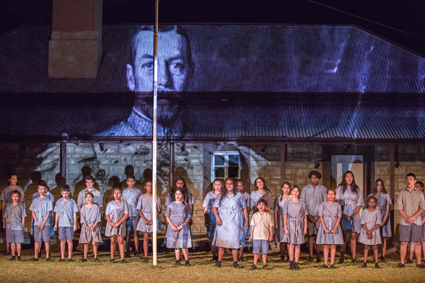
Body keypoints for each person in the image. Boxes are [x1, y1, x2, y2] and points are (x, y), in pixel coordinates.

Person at [97, 25, 194, 137]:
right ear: (131, 77)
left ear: (190, 75)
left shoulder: (208, 146)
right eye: (149, 65)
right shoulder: (98, 144)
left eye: (177, 65)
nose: (164, 80)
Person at [213, 178, 248, 268]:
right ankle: (219, 261)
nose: (229, 185)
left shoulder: (239, 195)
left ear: (234, 185)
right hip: (223, 220)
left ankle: (235, 262)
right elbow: (214, 207)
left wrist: (246, 220)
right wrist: (217, 217)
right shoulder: (221, 195)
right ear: (225, 185)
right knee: (222, 242)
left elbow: (244, 208)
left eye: (231, 183)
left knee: (234, 240)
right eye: (227, 184)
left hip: (235, 220)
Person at [396, 173, 425, 268]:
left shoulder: (419, 194)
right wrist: (407, 217)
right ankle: (402, 263)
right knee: (404, 242)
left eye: (411, 179)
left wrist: (413, 217)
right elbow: (399, 207)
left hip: (416, 222)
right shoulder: (402, 193)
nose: (409, 181)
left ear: (414, 181)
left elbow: (423, 207)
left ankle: (419, 263)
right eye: (407, 179)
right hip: (404, 222)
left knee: (417, 242)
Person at [335, 170, 364, 263]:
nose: (349, 178)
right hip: (343, 213)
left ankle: (353, 257)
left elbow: (359, 203)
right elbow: (337, 201)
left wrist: (354, 214)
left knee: (352, 235)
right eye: (347, 176)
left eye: (351, 176)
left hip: (353, 214)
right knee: (343, 235)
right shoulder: (340, 188)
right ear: (344, 178)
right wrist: (342, 214)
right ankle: (342, 257)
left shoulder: (357, 189)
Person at [301, 170, 327, 262]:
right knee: (311, 235)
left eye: (316, 177)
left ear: (318, 178)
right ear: (310, 178)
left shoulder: (323, 189)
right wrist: (308, 215)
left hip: (319, 216)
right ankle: (311, 256)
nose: (314, 179)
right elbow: (303, 203)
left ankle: (318, 255)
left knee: (319, 236)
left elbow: (324, 203)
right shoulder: (305, 189)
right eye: (313, 178)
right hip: (309, 215)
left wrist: (319, 215)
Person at [165, 187, 192, 266]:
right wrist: (172, 225)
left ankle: (186, 260)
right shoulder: (171, 205)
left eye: (179, 194)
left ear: (182, 195)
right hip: (173, 225)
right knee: (176, 243)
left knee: (183, 243)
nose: (178, 195)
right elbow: (167, 215)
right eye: (176, 194)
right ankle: (177, 260)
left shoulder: (185, 204)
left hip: (183, 226)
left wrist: (182, 225)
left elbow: (188, 216)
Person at [317, 189, 343, 269]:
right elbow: (320, 216)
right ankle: (325, 263)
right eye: (329, 194)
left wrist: (335, 227)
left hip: (334, 224)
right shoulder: (322, 205)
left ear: (334, 195)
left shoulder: (338, 205)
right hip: (326, 224)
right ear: (327, 195)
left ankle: (332, 263)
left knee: (333, 244)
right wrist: (325, 228)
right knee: (326, 244)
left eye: (332, 194)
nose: (331, 196)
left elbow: (339, 216)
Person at [136, 180, 162, 263]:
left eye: (151, 185)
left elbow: (158, 210)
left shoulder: (156, 197)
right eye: (148, 185)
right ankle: (146, 256)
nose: (150, 187)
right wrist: (144, 219)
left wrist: (153, 220)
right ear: (145, 187)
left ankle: (154, 255)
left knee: (153, 237)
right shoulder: (142, 197)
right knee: (145, 237)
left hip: (153, 217)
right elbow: (139, 209)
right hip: (145, 217)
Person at [283, 186, 308, 270]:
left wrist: (305, 228)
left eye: (297, 191)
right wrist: (285, 228)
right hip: (290, 223)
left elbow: (305, 216)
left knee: (298, 245)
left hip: (299, 224)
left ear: (299, 193)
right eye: (294, 191)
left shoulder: (302, 203)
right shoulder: (288, 203)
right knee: (291, 244)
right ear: (291, 192)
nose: (295, 193)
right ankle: (291, 262)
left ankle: (296, 263)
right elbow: (285, 216)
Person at [1, 174, 26, 256]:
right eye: (13, 179)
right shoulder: (6, 190)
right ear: (9, 180)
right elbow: (3, 203)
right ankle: (8, 250)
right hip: (9, 211)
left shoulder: (20, 190)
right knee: (8, 232)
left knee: (17, 234)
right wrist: (3, 217)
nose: (15, 180)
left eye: (16, 179)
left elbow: (21, 202)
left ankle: (17, 252)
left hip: (17, 213)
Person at [368, 179, 392, 262]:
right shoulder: (372, 195)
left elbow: (388, 208)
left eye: (381, 185)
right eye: (378, 185)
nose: (379, 187)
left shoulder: (386, 195)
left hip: (384, 216)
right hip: (375, 217)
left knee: (383, 237)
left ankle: (383, 256)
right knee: (376, 237)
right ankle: (375, 256)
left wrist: (384, 220)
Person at [53, 185, 78, 262]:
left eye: (66, 193)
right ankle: (62, 256)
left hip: (69, 223)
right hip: (61, 224)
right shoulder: (58, 202)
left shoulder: (72, 202)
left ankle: (70, 257)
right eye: (63, 193)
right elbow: (57, 213)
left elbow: (74, 213)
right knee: (62, 240)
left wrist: (75, 224)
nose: (65, 195)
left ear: (69, 193)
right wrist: (55, 224)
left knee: (69, 240)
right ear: (61, 193)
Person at [29, 182, 53, 261]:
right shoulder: (35, 200)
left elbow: (48, 212)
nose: (41, 190)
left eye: (42, 189)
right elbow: (33, 212)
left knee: (46, 240)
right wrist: (37, 222)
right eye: (39, 189)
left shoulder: (48, 200)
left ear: (45, 190)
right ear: (37, 190)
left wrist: (43, 223)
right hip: (37, 223)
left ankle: (47, 256)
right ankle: (36, 256)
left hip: (45, 223)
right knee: (37, 240)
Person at [105, 188, 129, 263]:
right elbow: (107, 214)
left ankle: (122, 258)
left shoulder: (124, 203)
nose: (116, 195)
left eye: (118, 193)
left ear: (121, 194)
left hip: (120, 223)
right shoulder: (110, 203)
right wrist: (111, 223)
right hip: (112, 223)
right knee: (113, 240)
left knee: (120, 240)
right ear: (113, 194)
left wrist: (119, 223)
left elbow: (126, 214)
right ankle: (112, 257)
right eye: (115, 193)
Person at [249, 199, 274, 270]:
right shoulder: (255, 215)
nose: (261, 206)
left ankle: (264, 264)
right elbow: (252, 225)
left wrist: (271, 235)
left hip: (265, 235)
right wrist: (251, 235)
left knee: (264, 251)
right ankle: (255, 264)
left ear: (265, 206)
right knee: (256, 251)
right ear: (257, 206)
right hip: (256, 235)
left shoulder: (268, 215)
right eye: (260, 205)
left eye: (263, 205)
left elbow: (270, 226)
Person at [121, 175, 142, 258]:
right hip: (127, 214)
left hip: (135, 214)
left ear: (134, 182)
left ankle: (136, 251)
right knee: (127, 233)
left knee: (136, 233)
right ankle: (127, 251)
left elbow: (139, 203)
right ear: (126, 182)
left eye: (132, 181)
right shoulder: (124, 192)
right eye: (129, 181)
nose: (130, 183)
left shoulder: (138, 191)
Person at [359, 196, 382, 269]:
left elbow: (378, 222)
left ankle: (376, 262)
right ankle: (365, 262)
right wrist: (367, 231)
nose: (371, 204)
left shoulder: (377, 211)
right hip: (366, 229)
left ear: (375, 203)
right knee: (367, 246)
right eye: (370, 202)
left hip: (374, 229)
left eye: (373, 202)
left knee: (375, 246)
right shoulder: (365, 211)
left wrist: (371, 231)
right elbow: (363, 221)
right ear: (368, 203)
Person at [202, 179, 223, 262]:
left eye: (219, 184)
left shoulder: (223, 195)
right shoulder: (209, 195)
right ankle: (214, 254)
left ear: (222, 185)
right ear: (213, 185)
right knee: (212, 237)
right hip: (211, 219)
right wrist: (206, 219)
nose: (217, 186)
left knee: (220, 237)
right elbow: (205, 209)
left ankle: (219, 255)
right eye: (216, 184)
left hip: (221, 218)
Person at [79, 192, 102, 262]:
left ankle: (95, 257)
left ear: (92, 198)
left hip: (94, 226)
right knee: (86, 242)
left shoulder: (96, 207)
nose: (88, 198)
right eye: (87, 197)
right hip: (86, 226)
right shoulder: (83, 208)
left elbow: (98, 218)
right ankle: (85, 257)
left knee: (94, 242)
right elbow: (82, 218)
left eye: (90, 197)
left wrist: (93, 226)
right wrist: (86, 226)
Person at [4, 190, 26, 261]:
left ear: (19, 197)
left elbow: (23, 216)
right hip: (10, 226)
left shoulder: (21, 206)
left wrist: (22, 225)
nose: (15, 198)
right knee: (12, 242)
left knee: (18, 242)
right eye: (14, 196)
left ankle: (18, 255)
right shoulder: (8, 207)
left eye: (16, 196)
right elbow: (6, 217)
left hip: (18, 226)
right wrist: (7, 226)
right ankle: (13, 255)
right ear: (11, 197)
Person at [274, 181, 292, 262]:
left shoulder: (292, 198)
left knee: (289, 239)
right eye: (285, 188)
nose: (286, 189)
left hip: (290, 220)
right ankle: (282, 256)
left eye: (288, 188)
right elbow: (275, 211)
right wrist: (276, 222)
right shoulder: (279, 198)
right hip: (280, 220)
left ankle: (289, 256)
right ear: (282, 189)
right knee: (282, 239)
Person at [408, 181, 424, 263]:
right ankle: (410, 258)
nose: (416, 188)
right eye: (416, 186)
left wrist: (423, 221)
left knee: (423, 240)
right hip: (415, 221)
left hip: (422, 220)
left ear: (422, 188)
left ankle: (423, 259)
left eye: (418, 186)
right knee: (413, 240)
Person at [236, 179, 251, 262]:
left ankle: (240, 255)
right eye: (237, 186)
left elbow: (247, 207)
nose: (239, 187)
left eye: (241, 186)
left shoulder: (247, 196)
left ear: (244, 186)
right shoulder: (235, 195)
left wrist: (245, 217)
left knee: (242, 236)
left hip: (243, 216)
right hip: (235, 217)